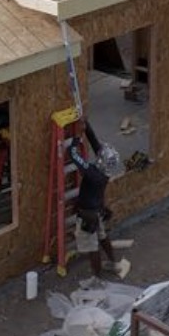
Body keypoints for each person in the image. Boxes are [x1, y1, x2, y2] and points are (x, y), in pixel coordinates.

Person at [69, 120, 121, 280]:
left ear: (101, 161)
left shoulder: (92, 174)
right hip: (97, 210)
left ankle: (97, 278)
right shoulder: (105, 172)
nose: (99, 152)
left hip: (87, 215)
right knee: (102, 237)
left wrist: (77, 137)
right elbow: (95, 144)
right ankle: (113, 263)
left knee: (93, 248)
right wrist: (87, 127)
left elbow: (73, 155)